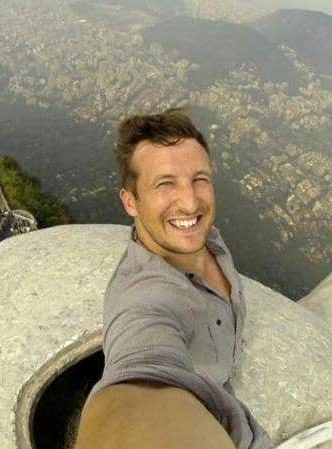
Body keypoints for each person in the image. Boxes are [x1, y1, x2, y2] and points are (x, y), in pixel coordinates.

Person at [73, 107, 273, 449]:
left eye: (199, 179)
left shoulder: (209, 241)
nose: (190, 201)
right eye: (165, 183)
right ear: (130, 202)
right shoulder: (145, 298)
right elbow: (134, 393)